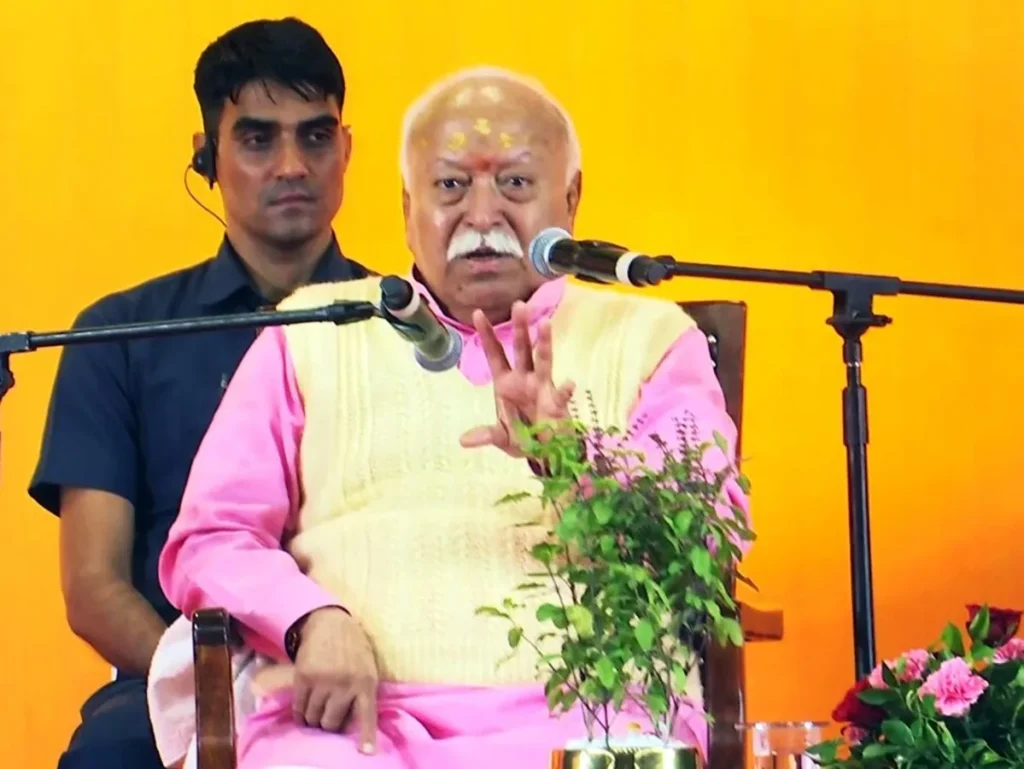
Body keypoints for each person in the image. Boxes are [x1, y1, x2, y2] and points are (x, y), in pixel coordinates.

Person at [149, 66, 751, 769]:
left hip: (594, 713)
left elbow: (706, 534)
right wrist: (309, 619)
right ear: (408, 207)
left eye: (516, 183)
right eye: (451, 186)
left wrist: (570, 458)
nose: (483, 215)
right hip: (355, 722)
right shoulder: (312, 332)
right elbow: (212, 536)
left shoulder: (651, 339)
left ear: (572, 198)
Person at [30, 17, 369, 769]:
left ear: (346, 150)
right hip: (179, 673)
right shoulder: (120, 335)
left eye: (316, 137)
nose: (292, 165)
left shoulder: (405, 326)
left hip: (378, 670)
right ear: (206, 156)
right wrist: (208, 690)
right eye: (257, 139)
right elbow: (93, 587)